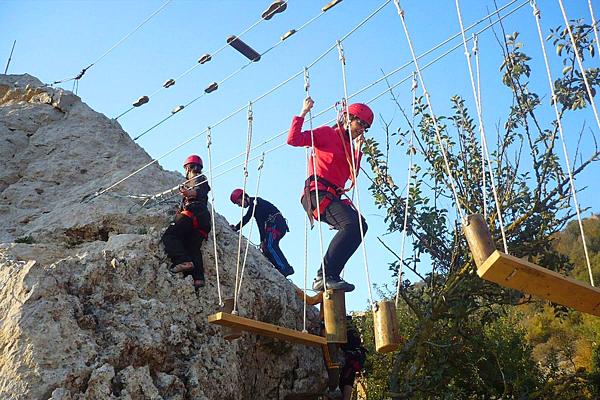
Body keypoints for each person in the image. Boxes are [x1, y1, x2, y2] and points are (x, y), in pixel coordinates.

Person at [287, 96, 373, 292]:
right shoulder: (327, 133)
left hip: (332, 195)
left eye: (365, 127)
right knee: (351, 225)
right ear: (347, 117)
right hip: (317, 193)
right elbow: (293, 140)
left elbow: (352, 175)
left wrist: (358, 151)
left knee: (360, 227)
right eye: (360, 123)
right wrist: (303, 112)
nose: (362, 129)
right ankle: (324, 276)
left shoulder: (350, 148)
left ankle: (330, 275)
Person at [162, 154, 211, 290]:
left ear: (188, 168)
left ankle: (182, 260)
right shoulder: (201, 179)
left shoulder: (196, 177)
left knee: (170, 235)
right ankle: (198, 278)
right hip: (203, 220)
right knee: (193, 247)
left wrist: (187, 193)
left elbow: (197, 192)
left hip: (193, 212)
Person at [230, 190, 294, 277]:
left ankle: (285, 268)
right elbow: (253, 219)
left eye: (238, 202)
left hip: (276, 224)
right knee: (266, 249)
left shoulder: (255, 202)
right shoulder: (254, 204)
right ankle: (279, 268)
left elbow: (255, 221)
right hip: (275, 225)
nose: (239, 205)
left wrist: (262, 240)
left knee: (270, 245)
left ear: (243, 197)